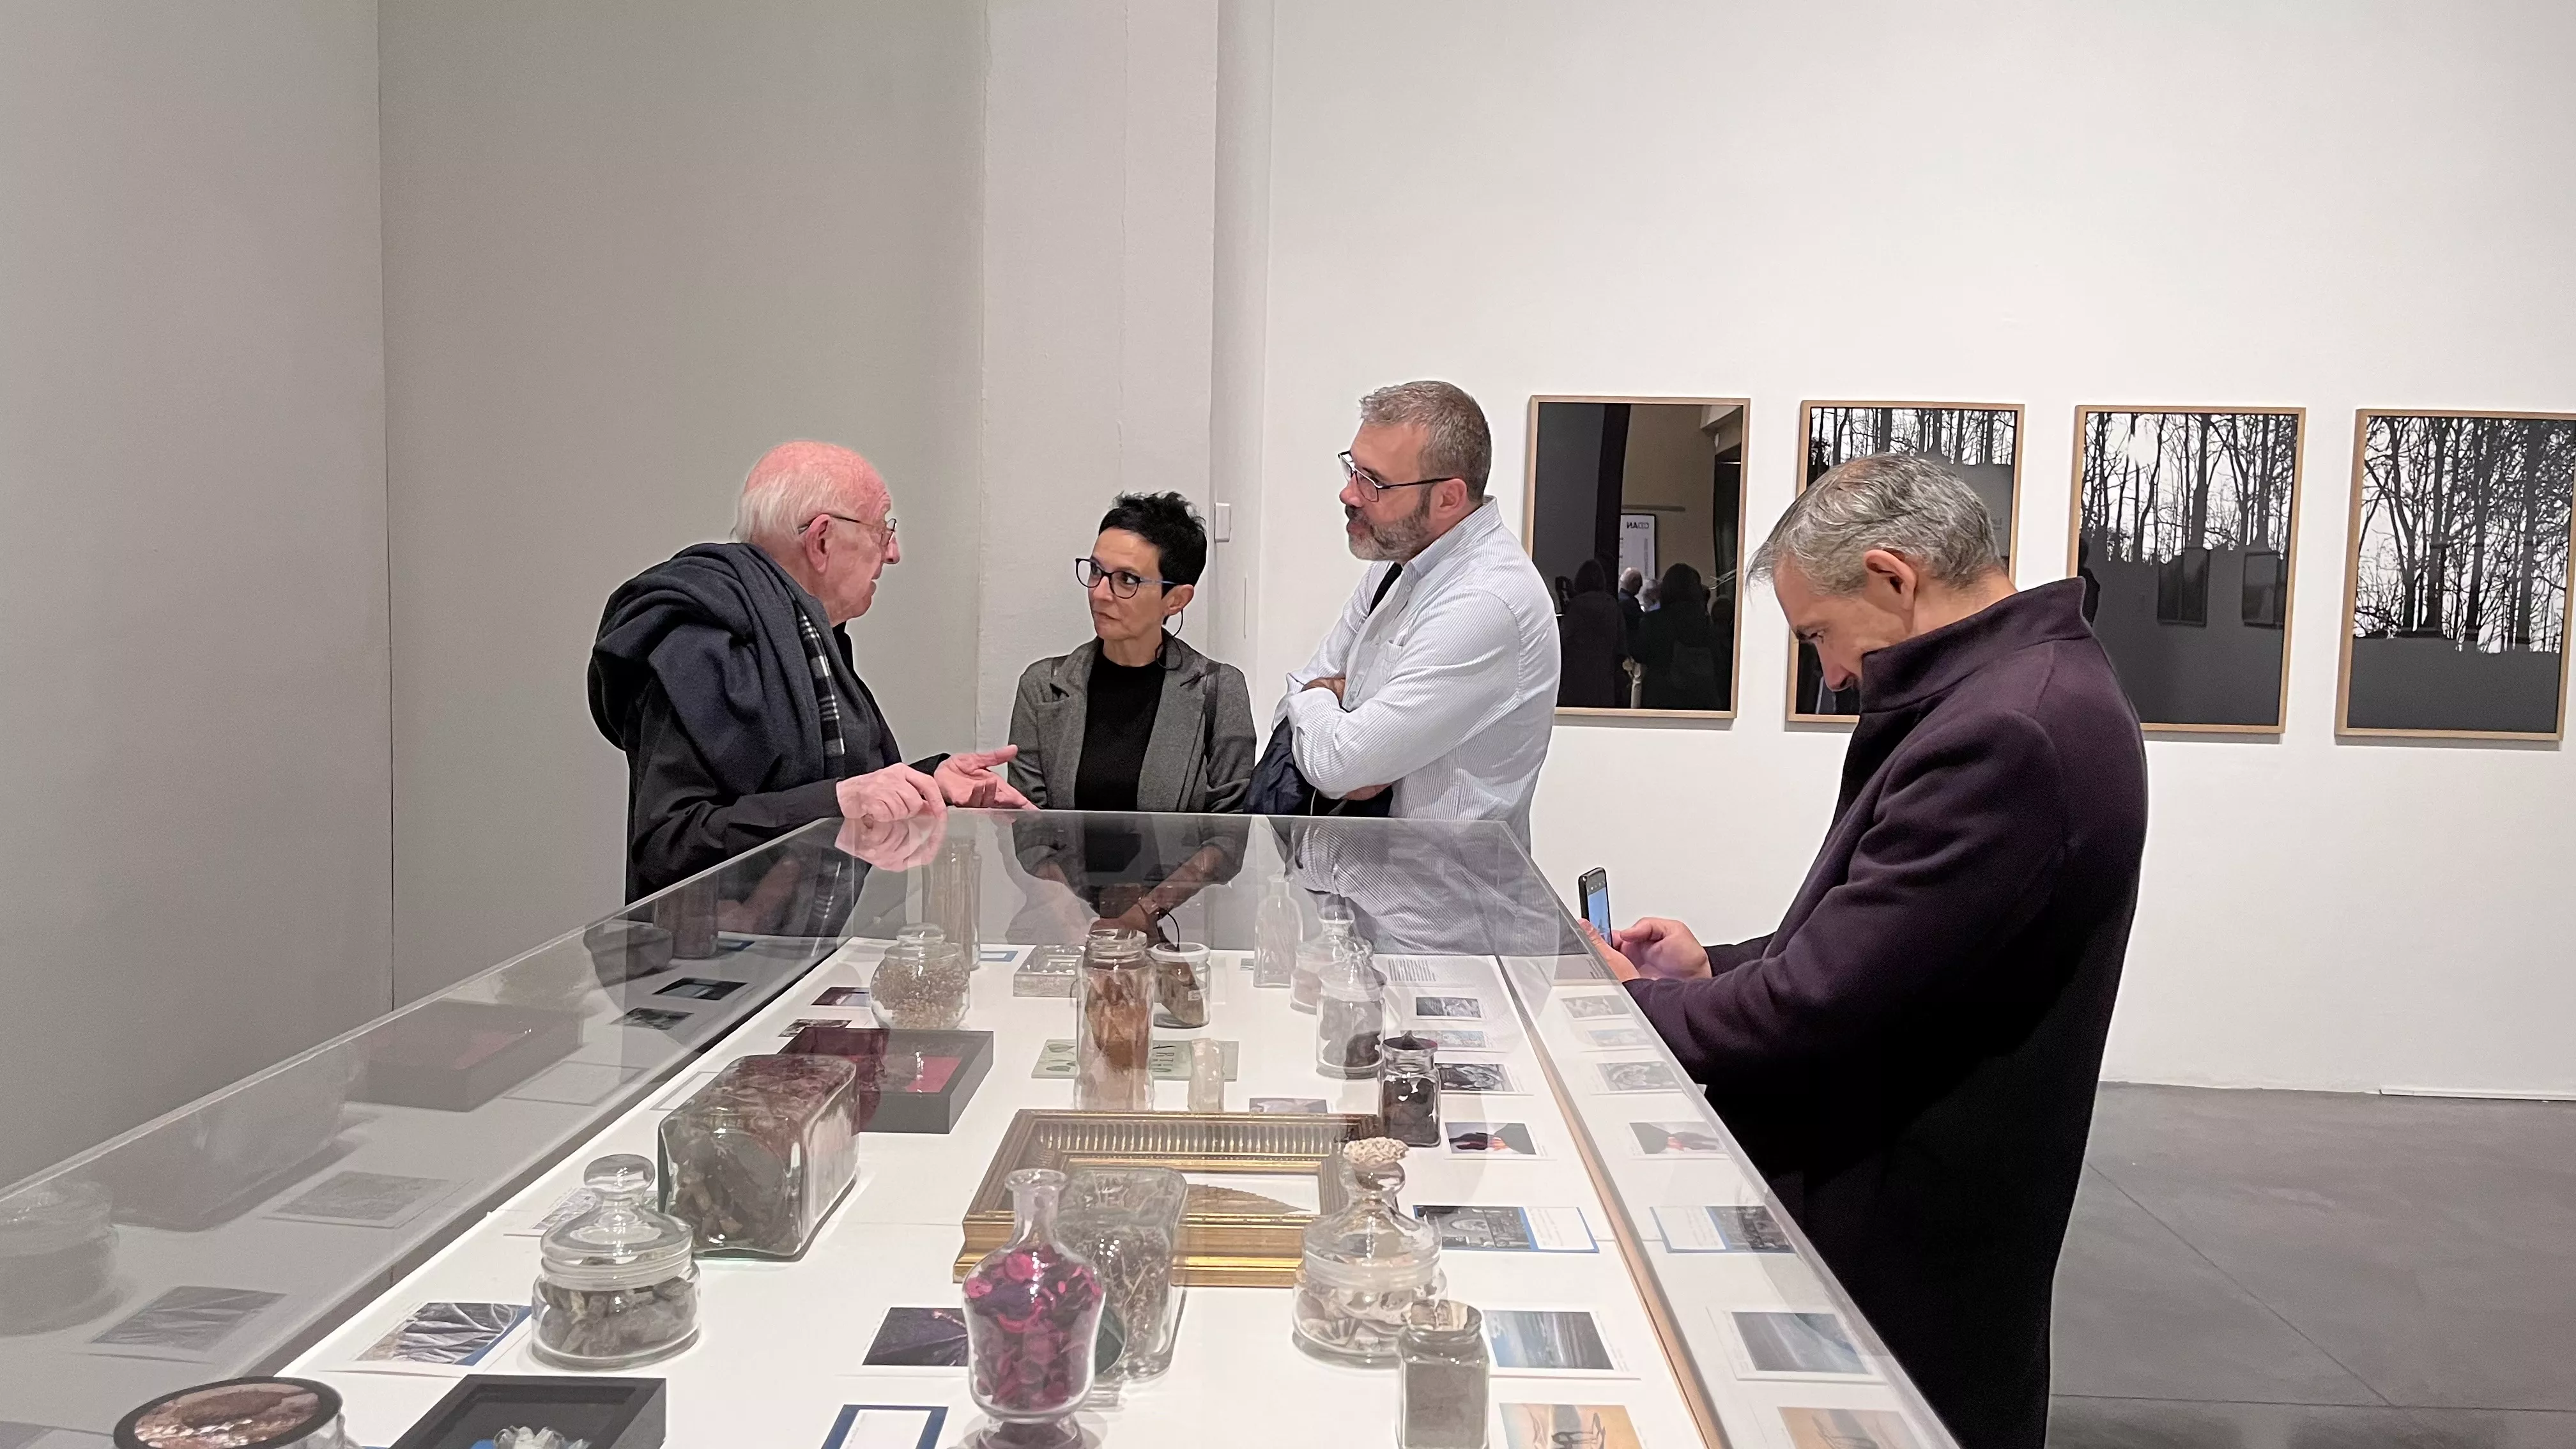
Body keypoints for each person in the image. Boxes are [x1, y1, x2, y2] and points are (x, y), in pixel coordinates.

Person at [1590, 452, 2149, 1449]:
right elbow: (1898, 932)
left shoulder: (2009, 730)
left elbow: (1824, 996)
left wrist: (1627, 1006)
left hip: (1906, 1220)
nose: (1831, 674)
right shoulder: (2019, 690)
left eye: (1818, 636)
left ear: (1892, 578)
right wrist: (1714, 968)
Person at [590, 441, 1028, 899]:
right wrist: (838, 803)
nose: (893, 552)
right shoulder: (703, 638)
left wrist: (931, 783)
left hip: (802, 941)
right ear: (821, 541)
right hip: (716, 944)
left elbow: (818, 788)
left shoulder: (807, 639)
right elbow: (669, 842)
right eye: (882, 530)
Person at [1282, 380, 1559, 843]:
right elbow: (1301, 692)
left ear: (1448, 498)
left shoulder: (1485, 601)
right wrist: (1328, 702)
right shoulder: (1397, 560)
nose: (1349, 494)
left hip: (1432, 887)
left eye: (1373, 482)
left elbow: (1336, 766)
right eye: (1352, 469)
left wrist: (1321, 703)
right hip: (1355, 878)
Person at [1008, 492, 1256, 813]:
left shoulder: (1219, 691)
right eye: (1096, 570)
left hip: (1182, 851)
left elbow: (1230, 825)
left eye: (1127, 580)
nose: (1099, 593)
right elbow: (1029, 820)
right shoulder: (1044, 687)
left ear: (1176, 600)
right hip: (1064, 851)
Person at [1635, 561, 1723, 710]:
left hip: (1661, 695)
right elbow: (1716, 657)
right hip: (1700, 695)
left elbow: (1640, 654)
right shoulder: (1704, 621)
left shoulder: (1653, 621)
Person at [1556, 559, 1626, 708]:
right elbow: (1621, 644)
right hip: (1604, 675)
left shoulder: (1576, 605)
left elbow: (1564, 638)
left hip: (1576, 675)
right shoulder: (1612, 605)